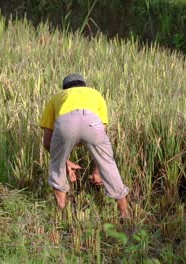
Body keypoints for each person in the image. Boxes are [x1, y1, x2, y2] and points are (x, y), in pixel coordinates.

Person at [39, 73, 130, 218]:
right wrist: (97, 171)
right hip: (92, 122)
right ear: (84, 85)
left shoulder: (57, 97)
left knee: (57, 166)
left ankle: (62, 213)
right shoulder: (95, 94)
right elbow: (102, 139)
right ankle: (125, 213)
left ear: (65, 89)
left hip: (65, 123)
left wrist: (64, 162)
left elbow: (47, 142)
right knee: (108, 164)